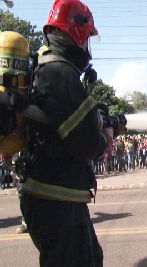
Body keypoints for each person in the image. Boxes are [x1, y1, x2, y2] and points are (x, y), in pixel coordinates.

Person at [17, 1, 111, 266]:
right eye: (87, 38)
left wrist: (99, 119)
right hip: (55, 197)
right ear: (76, 33)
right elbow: (87, 145)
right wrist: (106, 132)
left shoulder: (47, 65)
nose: (87, 47)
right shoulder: (60, 73)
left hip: (54, 195)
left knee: (92, 258)